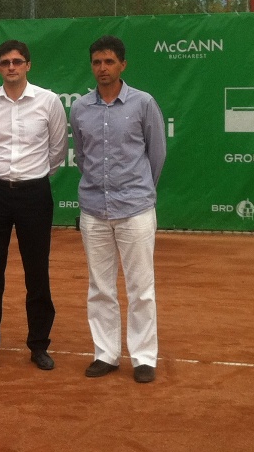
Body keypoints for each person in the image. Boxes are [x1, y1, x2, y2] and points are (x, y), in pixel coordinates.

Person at [0, 40, 68, 373]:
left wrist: (30, 177)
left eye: (17, 61)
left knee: (37, 271)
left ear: (28, 65)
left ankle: (39, 346)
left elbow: (57, 151)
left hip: (35, 194)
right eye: (5, 62)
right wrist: (3, 177)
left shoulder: (49, 102)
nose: (11, 67)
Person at [70, 35, 166, 383]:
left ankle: (143, 358)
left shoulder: (143, 104)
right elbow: (82, 157)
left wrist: (138, 192)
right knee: (100, 286)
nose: (102, 68)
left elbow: (156, 155)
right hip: (94, 210)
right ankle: (106, 354)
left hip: (136, 210)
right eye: (97, 62)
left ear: (122, 64)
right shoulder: (80, 108)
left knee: (141, 287)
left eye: (109, 62)